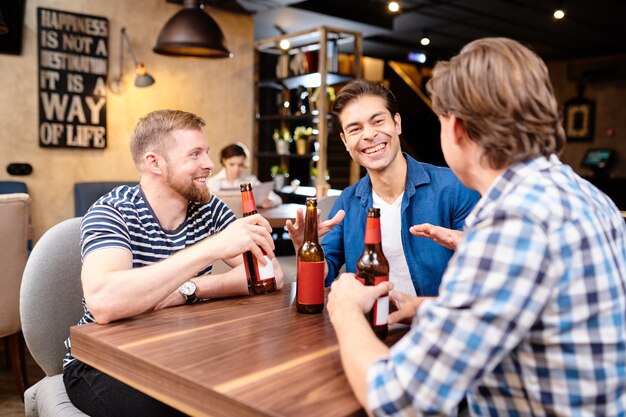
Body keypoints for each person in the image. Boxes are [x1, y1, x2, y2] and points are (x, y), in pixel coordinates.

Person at [327, 37, 626, 416]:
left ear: (457, 128)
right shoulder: (588, 197)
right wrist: (429, 307)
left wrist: (345, 309)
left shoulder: (511, 224)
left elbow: (399, 400)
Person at [63, 110, 284, 417]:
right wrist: (211, 248)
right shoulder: (112, 211)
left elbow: (269, 274)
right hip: (103, 362)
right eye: (195, 154)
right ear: (154, 162)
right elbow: (104, 302)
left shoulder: (208, 208)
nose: (208, 163)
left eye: (206, 152)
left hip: (179, 348)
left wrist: (188, 289)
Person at [286, 79, 479, 296]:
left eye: (377, 121)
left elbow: (482, 271)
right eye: (355, 129)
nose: (368, 135)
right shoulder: (348, 201)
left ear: (397, 123)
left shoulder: (455, 187)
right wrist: (305, 248)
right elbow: (323, 274)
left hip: (436, 323)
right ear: (345, 141)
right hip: (369, 325)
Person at [207, 143, 282, 208]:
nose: (236, 169)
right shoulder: (212, 182)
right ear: (224, 161)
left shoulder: (251, 181)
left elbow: (277, 198)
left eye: (240, 165)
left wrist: (270, 202)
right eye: (232, 164)